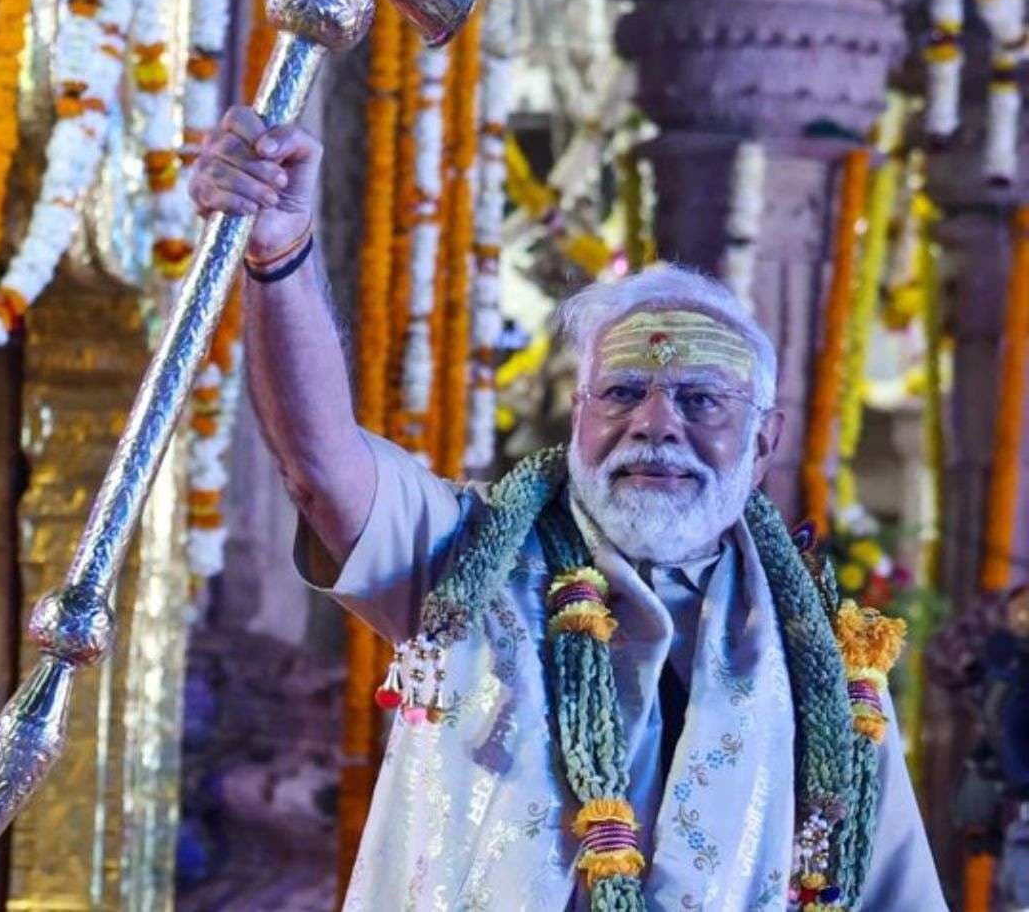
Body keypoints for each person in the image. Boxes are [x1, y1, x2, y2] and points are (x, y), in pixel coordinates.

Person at [190, 106, 949, 911]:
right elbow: (320, 466)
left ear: (764, 441)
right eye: (623, 391)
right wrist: (279, 256)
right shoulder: (472, 559)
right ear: (580, 411)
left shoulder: (826, 662)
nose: (656, 423)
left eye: (700, 399)